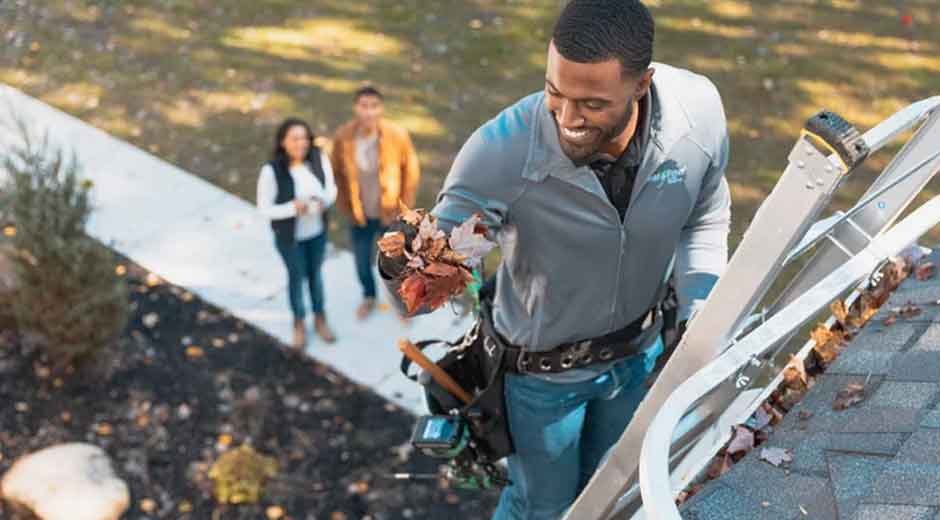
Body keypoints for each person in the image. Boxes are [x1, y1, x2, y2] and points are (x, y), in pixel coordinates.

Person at [378, 1, 731, 518]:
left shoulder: (696, 114)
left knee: (607, 492)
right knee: (542, 507)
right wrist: (406, 269)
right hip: (541, 384)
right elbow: (435, 271)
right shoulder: (501, 152)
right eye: (553, 93)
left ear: (642, 85)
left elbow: (705, 215)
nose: (566, 120)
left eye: (590, 104)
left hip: (639, 359)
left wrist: (698, 307)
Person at [331, 86, 421, 320]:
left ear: (381, 109)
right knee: (362, 262)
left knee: (397, 264)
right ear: (356, 107)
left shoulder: (396, 135)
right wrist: (345, 205)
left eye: (374, 106)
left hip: (390, 214)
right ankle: (369, 297)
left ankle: (402, 303)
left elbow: (410, 172)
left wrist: (404, 209)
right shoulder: (344, 136)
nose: (369, 112)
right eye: (363, 106)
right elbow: (336, 174)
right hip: (359, 215)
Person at [257, 117, 338, 349]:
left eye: (304, 138)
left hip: (317, 233)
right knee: (296, 278)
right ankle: (299, 322)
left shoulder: (318, 158)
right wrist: (294, 208)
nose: (301, 143)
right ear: (283, 142)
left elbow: (331, 189)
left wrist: (324, 202)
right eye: (294, 139)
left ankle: (320, 317)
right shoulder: (271, 171)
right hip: (290, 239)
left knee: (315, 276)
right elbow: (265, 209)